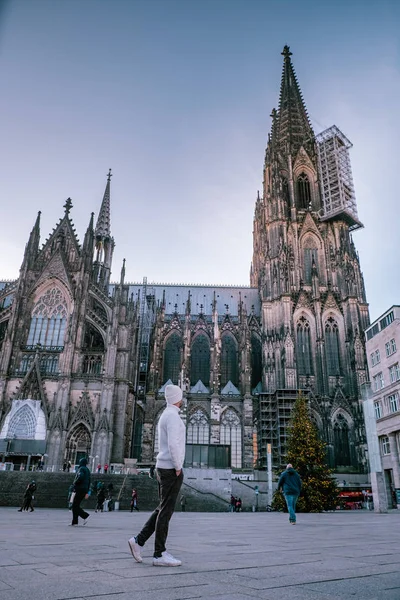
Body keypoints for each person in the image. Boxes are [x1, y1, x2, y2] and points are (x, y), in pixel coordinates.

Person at [128, 383, 186, 567]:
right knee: (166, 511)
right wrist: (178, 466)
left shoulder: (165, 415)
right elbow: (173, 445)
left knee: (162, 508)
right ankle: (159, 554)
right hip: (170, 468)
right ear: (178, 399)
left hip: (162, 467)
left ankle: (138, 541)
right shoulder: (173, 417)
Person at [70, 457, 91, 526]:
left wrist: (75, 483)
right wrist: (87, 491)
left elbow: (80, 476)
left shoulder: (81, 469)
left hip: (79, 489)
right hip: (84, 489)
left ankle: (85, 516)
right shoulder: (87, 470)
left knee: (74, 506)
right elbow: (89, 481)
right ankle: (75, 522)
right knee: (76, 505)